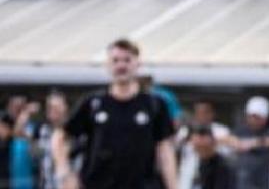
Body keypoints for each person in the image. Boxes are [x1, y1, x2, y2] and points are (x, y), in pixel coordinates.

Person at [53, 39, 179, 189]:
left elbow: (165, 150)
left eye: (127, 60)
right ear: (107, 65)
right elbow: (60, 136)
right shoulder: (93, 103)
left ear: (137, 64)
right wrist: (64, 171)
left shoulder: (154, 104)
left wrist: (173, 186)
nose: (121, 65)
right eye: (115, 60)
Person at [230, 98, 269, 189]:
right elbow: (227, 138)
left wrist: (254, 143)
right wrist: (237, 143)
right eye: (251, 116)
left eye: (258, 117)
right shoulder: (241, 130)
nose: (253, 120)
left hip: (262, 184)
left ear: (265, 118)